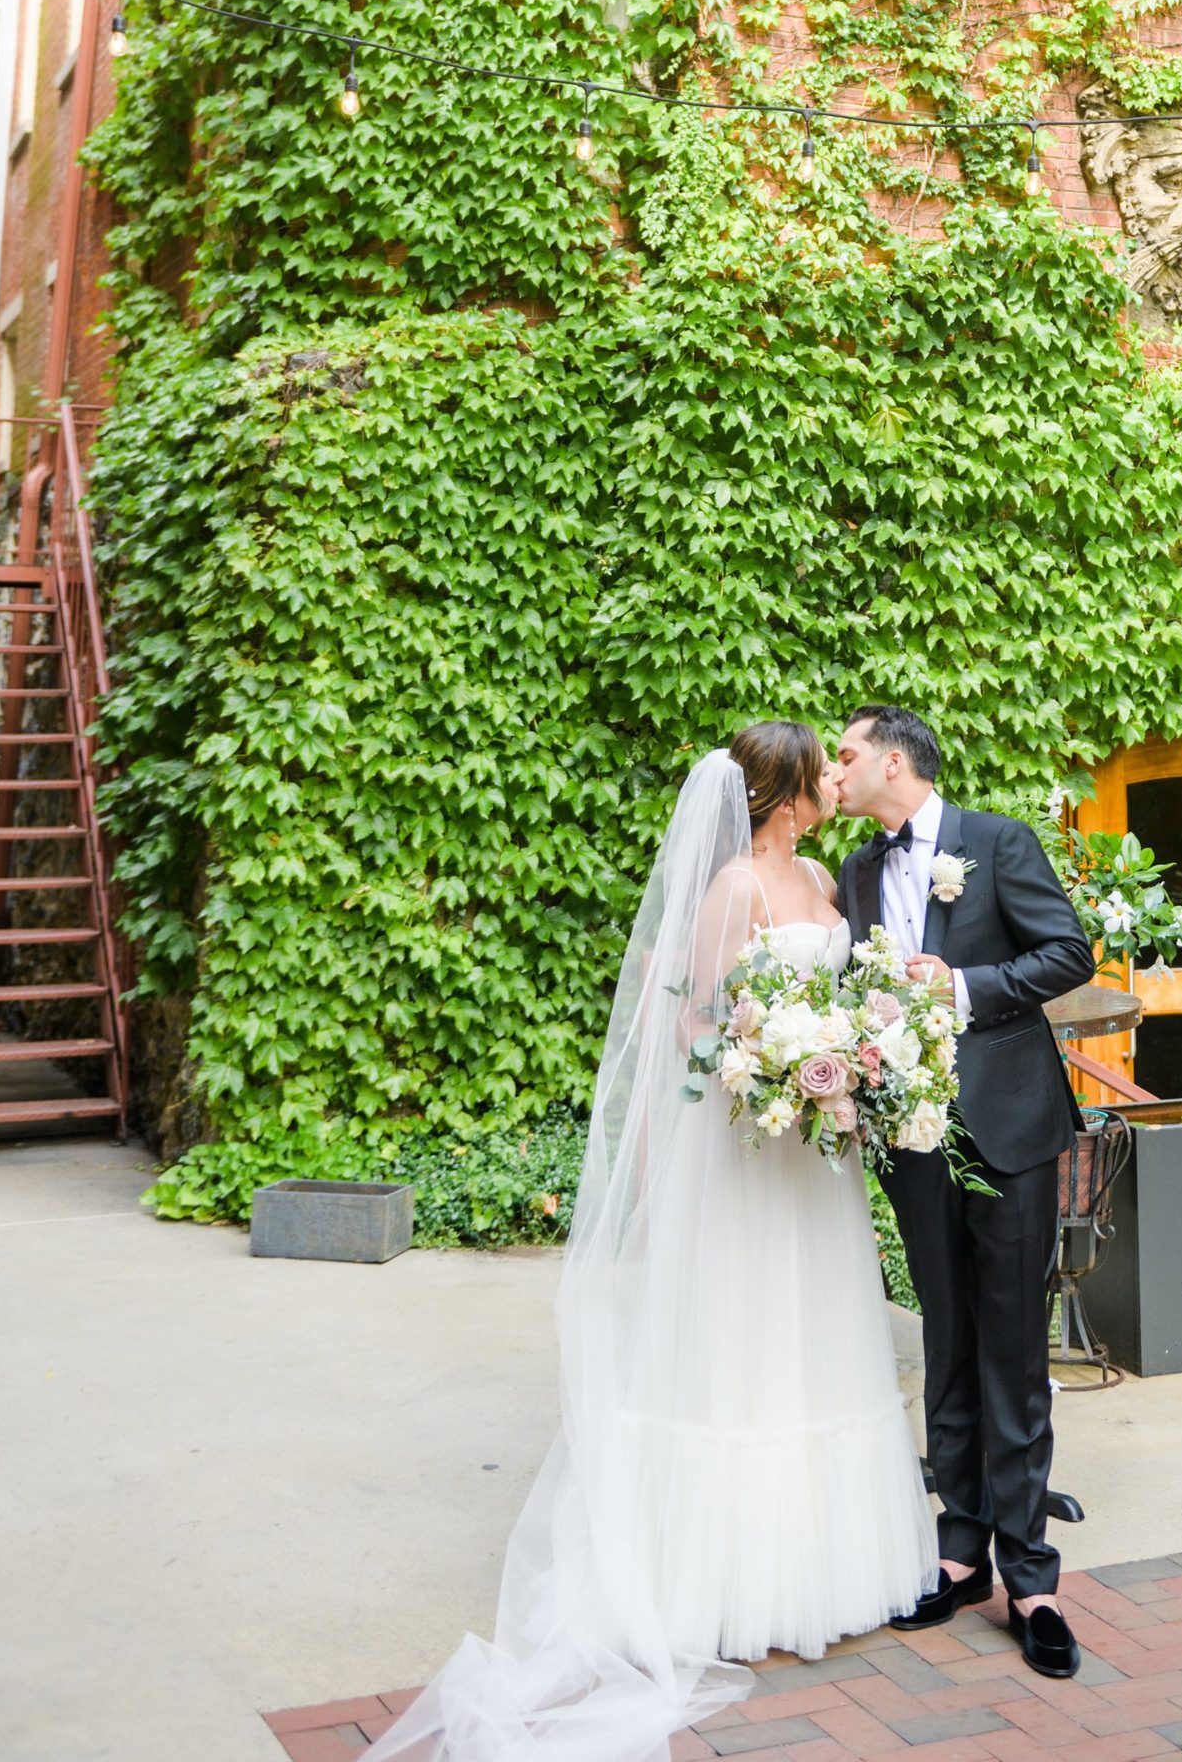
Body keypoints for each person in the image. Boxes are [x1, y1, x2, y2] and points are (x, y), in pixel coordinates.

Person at [368, 723, 935, 1762]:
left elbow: (849, 989)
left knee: (814, 1337)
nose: (832, 776)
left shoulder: (819, 871)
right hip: (746, 1146)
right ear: (782, 789)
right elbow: (692, 1022)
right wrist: (771, 1057)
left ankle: (826, 1570)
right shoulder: (731, 889)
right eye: (818, 766)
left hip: (815, 1152)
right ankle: (729, 1584)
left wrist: (845, 1052)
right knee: (743, 1344)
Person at [834, 704, 1096, 1681]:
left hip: (1011, 1127)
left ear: (892, 761)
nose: (835, 769)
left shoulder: (995, 841)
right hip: (913, 1135)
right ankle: (957, 1553)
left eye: (847, 754)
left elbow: (1067, 954)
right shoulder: (859, 871)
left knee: (1011, 1345)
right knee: (945, 1334)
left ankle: (1031, 1580)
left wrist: (958, 985)